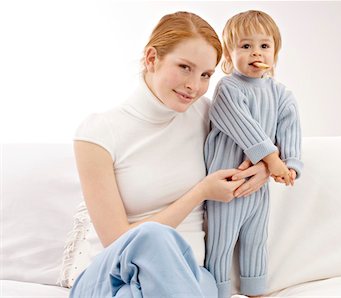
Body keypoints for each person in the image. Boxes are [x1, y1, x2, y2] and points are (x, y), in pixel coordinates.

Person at [69, 11, 270, 298]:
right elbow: (116, 240)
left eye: (205, 75)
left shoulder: (210, 116)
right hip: (110, 276)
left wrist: (264, 168)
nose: (195, 86)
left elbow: (265, 143)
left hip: (189, 277)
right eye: (185, 67)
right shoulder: (98, 132)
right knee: (153, 237)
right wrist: (200, 192)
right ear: (152, 58)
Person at [204, 10, 303, 298]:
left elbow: (289, 132)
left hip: (259, 190)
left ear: (275, 52)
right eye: (245, 46)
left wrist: (291, 165)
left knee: (256, 240)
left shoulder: (281, 94)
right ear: (229, 54)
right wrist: (272, 161)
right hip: (228, 183)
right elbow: (246, 129)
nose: (255, 53)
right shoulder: (227, 89)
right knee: (221, 242)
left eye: (264, 46)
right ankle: (218, 292)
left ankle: (256, 291)